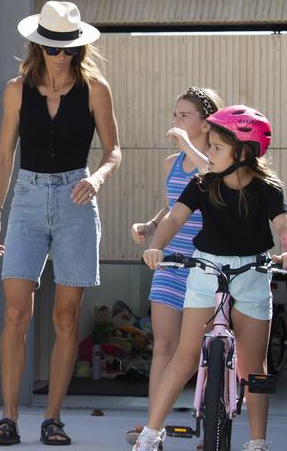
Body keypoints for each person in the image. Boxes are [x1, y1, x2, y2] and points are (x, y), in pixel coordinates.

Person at [0, 1, 121, 446]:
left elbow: (113, 150)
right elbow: (4, 154)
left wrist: (97, 178)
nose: (62, 55)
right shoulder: (15, 88)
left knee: (65, 317)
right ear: (38, 44)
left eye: (70, 48)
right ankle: (7, 418)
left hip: (76, 200)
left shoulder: (96, 88)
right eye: (54, 47)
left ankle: (53, 418)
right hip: (24, 199)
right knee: (14, 311)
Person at [134, 105, 287, 451]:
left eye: (217, 147)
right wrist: (156, 247)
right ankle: (150, 434)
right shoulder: (203, 183)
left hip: (252, 271)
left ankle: (257, 441)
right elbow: (173, 219)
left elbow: (282, 226)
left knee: (252, 364)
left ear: (244, 153)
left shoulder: (268, 189)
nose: (209, 152)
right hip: (207, 269)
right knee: (185, 356)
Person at [126, 87, 223, 446]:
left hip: (208, 265)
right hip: (171, 263)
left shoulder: (215, 159)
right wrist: (150, 228)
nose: (176, 121)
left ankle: (211, 425)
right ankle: (154, 427)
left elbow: (213, 178)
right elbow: (172, 209)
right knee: (163, 346)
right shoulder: (172, 162)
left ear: (205, 122)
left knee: (208, 350)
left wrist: (188, 146)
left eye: (185, 116)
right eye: (175, 115)